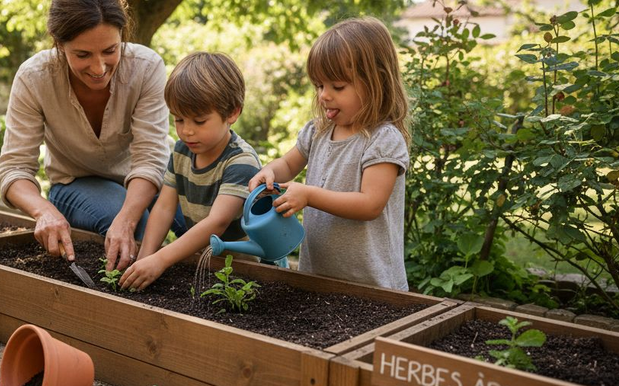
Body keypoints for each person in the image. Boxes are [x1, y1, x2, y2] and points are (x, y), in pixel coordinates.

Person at [0, 0, 183, 271]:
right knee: (137, 229)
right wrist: (44, 211)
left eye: (110, 50)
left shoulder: (146, 68)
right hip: (77, 185)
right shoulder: (34, 78)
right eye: (82, 55)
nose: (99, 68)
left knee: (209, 212)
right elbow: (13, 168)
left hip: (149, 179)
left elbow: (150, 159)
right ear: (59, 45)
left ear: (123, 35)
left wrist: (127, 216)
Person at [248, 17, 411, 290]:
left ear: (376, 83)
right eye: (319, 86)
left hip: (373, 287)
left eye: (337, 86)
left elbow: (370, 204)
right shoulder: (318, 131)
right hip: (319, 280)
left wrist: (309, 195)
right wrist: (269, 171)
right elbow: (288, 163)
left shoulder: (383, 139)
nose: (324, 95)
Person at [119, 52, 261, 291]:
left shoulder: (241, 162)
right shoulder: (182, 151)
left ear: (232, 113)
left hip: (237, 274)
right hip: (200, 265)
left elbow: (217, 222)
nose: (187, 131)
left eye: (199, 121)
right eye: (179, 119)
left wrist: (162, 259)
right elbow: (164, 207)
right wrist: (145, 257)